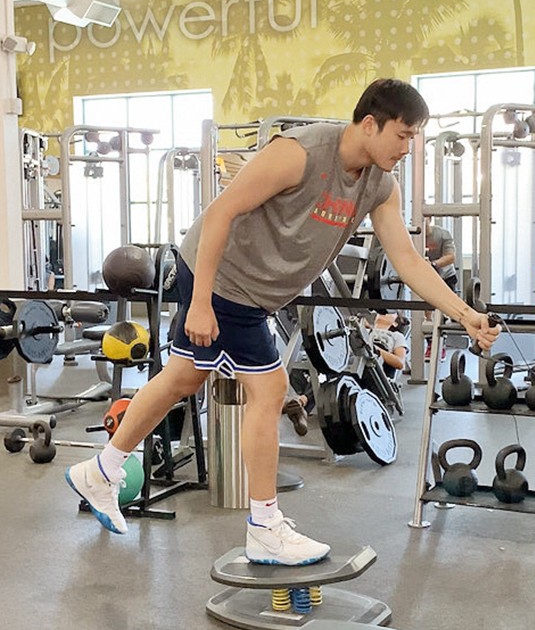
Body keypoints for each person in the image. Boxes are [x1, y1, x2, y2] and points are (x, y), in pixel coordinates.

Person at [65, 79, 500, 566]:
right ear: (371, 124)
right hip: (225, 276)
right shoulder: (301, 153)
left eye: (414, 138)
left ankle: (102, 470)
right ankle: (265, 525)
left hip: (254, 290)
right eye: (402, 135)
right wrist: (203, 301)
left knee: (182, 378)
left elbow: (410, 261)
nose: (408, 148)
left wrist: (465, 314)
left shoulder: (380, 186)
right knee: (269, 393)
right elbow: (220, 212)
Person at [422, 215, 458, 360]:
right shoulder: (412, 236)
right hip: (425, 279)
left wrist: (433, 264)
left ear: (429, 219)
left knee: (443, 310)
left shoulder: (442, 234)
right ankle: (431, 343)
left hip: (445, 277)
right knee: (427, 312)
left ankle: (441, 344)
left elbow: (450, 257)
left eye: (422, 219)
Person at [367, 310, 407, 379]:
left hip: (380, 370)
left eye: (390, 312)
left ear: (395, 323)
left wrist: (374, 349)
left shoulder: (396, 336)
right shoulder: (366, 331)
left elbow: (400, 363)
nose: (384, 311)